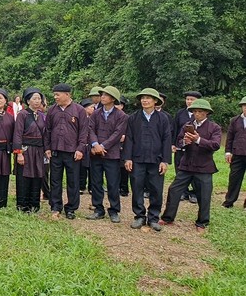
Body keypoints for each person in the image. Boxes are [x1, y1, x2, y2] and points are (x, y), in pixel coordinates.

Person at [161, 99, 220, 232]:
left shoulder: (214, 127)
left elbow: (215, 145)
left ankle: (202, 222)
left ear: (206, 113)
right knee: (174, 190)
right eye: (194, 111)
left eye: (200, 111)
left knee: (204, 195)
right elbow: (178, 141)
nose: (196, 114)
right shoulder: (187, 125)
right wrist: (185, 142)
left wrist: (198, 140)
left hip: (204, 167)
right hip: (186, 165)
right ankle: (167, 218)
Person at [123, 88, 172, 231]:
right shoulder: (134, 117)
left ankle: (153, 217)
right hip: (137, 159)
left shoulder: (163, 118)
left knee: (156, 189)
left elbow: (166, 139)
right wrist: (127, 158)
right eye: (143, 98)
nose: (145, 100)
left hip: (156, 160)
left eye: (148, 98)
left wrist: (165, 160)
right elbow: (129, 139)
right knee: (137, 187)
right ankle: (139, 216)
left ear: (155, 101)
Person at [44, 84, 88, 220]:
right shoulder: (52, 110)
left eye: (58, 94)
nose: (55, 97)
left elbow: (84, 131)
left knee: (73, 181)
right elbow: (47, 131)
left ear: (67, 94)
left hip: (72, 152)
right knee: (55, 180)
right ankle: (55, 206)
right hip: (56, 151)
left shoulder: (79, 110)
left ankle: (71, 208)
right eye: (54, 94)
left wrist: (80, 149)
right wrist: (47, 148)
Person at [86, 86, 127, 223]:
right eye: (102, 94)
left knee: (113, 183)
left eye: (105, 95)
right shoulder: (96, 114)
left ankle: (114, 210)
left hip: (112, 155)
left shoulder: (121, 116)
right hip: (95, 153)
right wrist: (95, 144)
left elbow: (117, 134)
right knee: (96, 182)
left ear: (113, 99)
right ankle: (98, 209)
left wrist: (102, 146)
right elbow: (90, 129)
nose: (102, 97)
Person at [13, 88, 46, 213]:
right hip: (26, 150)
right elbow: (17, 134)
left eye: (39, 98)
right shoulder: (23, 115)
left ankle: (35, 204)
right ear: (28, 101)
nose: (37, 101)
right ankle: (23, 205)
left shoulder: (41, 115)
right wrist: (19, 153)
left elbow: (45, 134)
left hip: (38, 150)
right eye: (34, 98)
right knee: (24, 177)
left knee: (37, 176)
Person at [172, 91, 202, 204]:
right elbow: (175, 129)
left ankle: (194, 193)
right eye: (187, 99)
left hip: (195, 147)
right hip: (181, 145)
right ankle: (183, 191)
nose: (189, 101)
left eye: (192, 99)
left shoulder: (200, 114)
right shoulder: (180, 113)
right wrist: (173, 144)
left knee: (194, 169)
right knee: (179, 168)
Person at [223, 96, 246, 208]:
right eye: (245, 106)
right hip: (237, 154)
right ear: (242, 107)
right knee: (234, 179)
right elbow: (230, 137)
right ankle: (229, 201)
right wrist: (228, 152)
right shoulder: (235, 120)